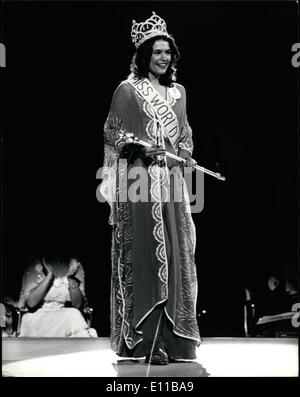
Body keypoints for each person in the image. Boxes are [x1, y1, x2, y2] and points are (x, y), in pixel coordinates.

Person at [100, 12, 200, 364]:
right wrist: (138, 145)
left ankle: (174, 341)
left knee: (175, 256)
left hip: (170, 185)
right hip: (139, 183)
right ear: (144, 56)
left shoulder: (179, 92)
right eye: (156, 52)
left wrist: (185, 154)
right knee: (143, 256)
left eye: (167, 52)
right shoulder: (127, 90)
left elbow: (184, 134)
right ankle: (144, 342)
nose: (163, 58)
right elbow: (112, 132)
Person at [18, 255, 97, 337]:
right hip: (38, 317)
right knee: (72, 314)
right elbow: (31, 303)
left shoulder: (72, 275)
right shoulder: (38, 271)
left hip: (62, 317)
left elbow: (77, 304)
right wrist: (50, 275)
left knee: (74, 313)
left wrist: (69, 276)